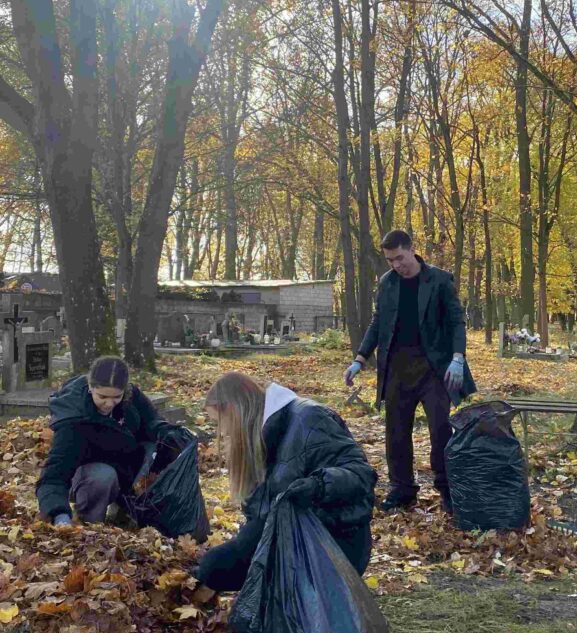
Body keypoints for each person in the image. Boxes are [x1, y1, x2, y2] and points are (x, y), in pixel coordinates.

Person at [194, 372, 376, 591]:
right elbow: (260, 513)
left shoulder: (310, 418)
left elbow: (361, 475)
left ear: (233, 410)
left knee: (218, 566)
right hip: (291, 538)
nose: (222, 432)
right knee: (215, 566)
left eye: (220, 422)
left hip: (337, 543)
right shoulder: (259, 435)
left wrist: (318, 486)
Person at [344, 229, 476, 513]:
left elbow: (456, 321)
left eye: (399, 258)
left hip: (433, 369)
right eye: (390, 260)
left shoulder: (439, 280)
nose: (396, 265)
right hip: (397, 369)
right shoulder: (387, 283)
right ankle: (402, 490)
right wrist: (360, 359)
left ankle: (447, 490)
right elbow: (378, 323)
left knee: (441, 431)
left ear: (411, 249)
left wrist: (457, 357)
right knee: (396, 433)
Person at [36, 356, 192, 527]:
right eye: (102, 396)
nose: (109, 404)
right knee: (102, 476)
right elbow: (54, 475)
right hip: (89, 477)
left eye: (116, 397)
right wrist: (59, 515)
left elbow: (152, 423)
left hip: (127, 468)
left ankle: (128, 509)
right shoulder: (74, 420)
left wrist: (176, 437)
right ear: (90, 387)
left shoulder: (131, 397)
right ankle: (91, 522)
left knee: (154, 449)